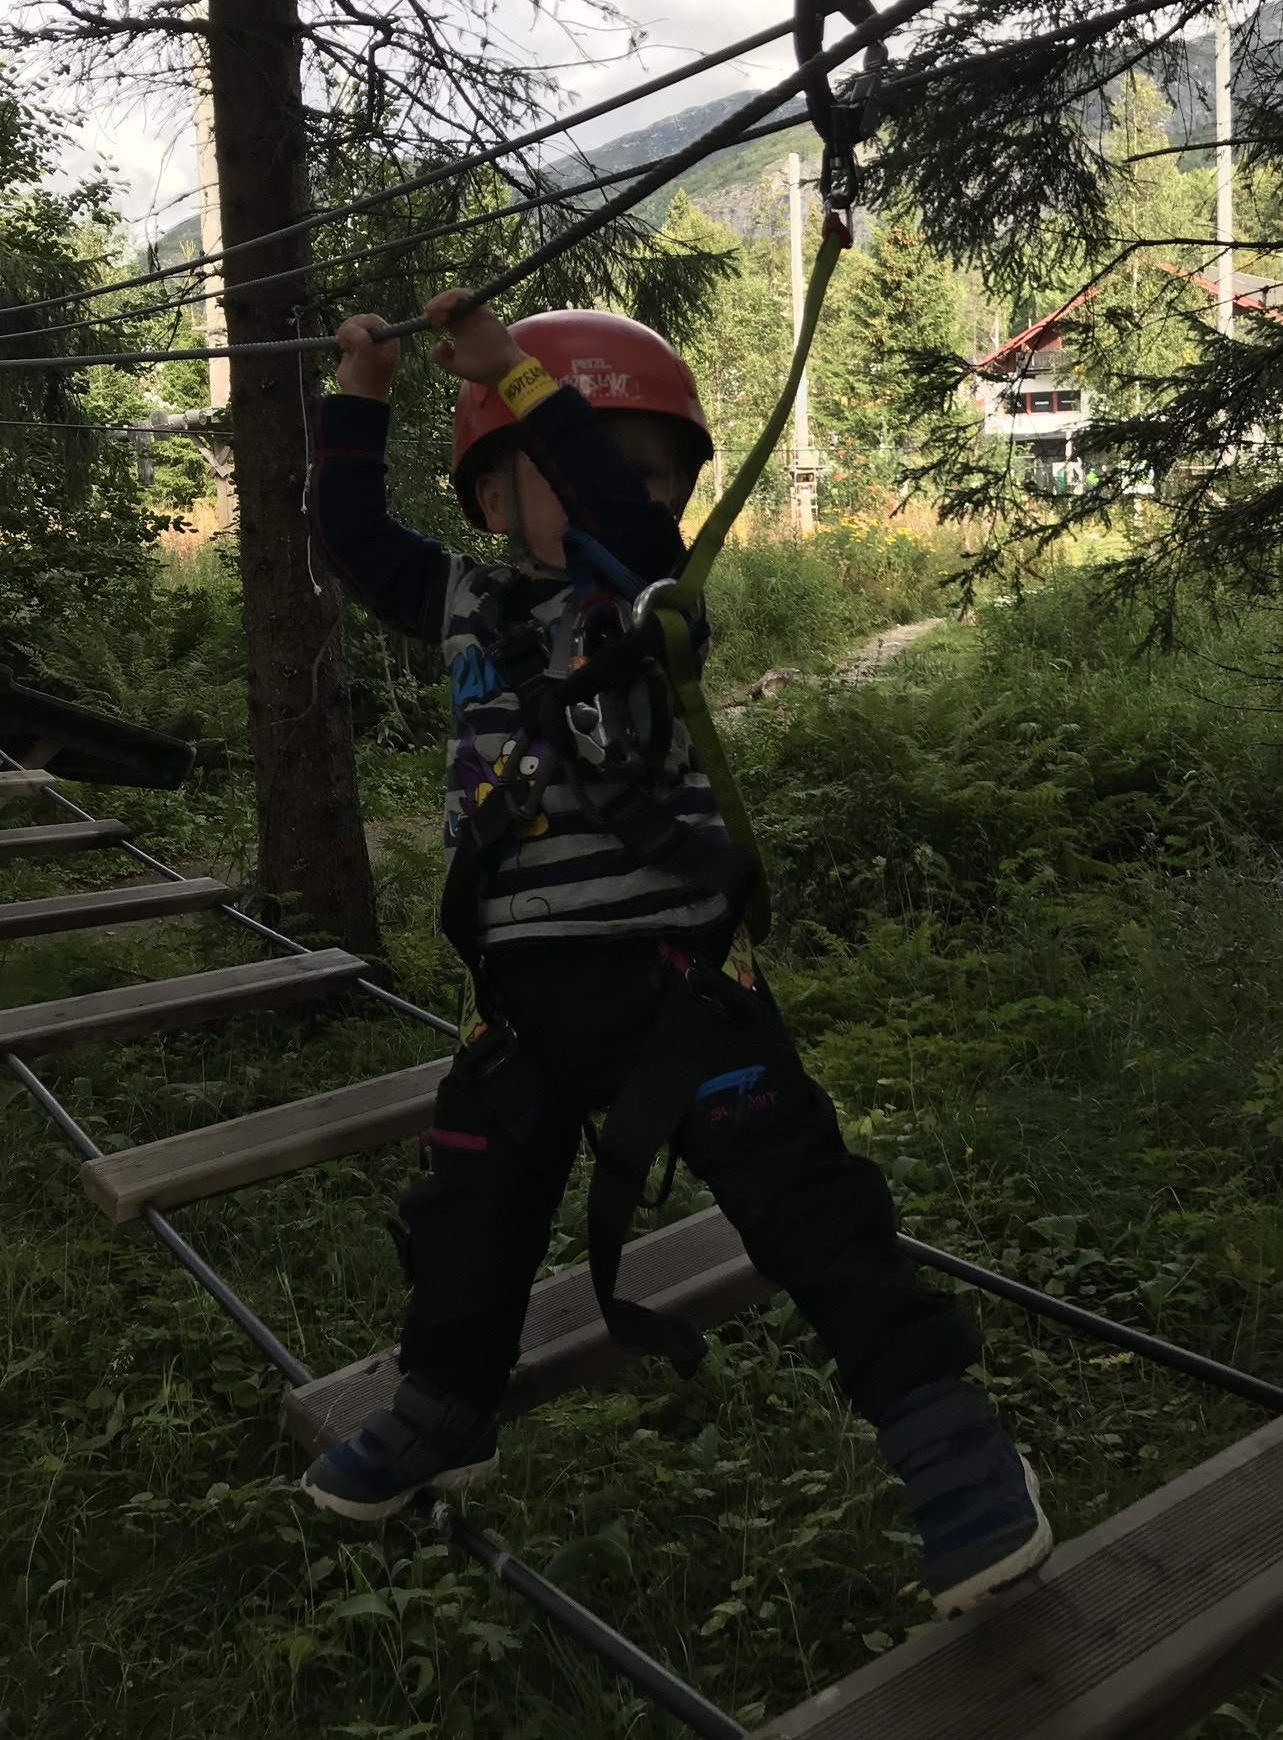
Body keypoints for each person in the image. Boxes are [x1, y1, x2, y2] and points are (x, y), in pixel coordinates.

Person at [298, 289, 1052, 1616]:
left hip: (677, 985)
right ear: (486, 491)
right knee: (469, 1212)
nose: (634, 491)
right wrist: (361, 390)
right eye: (587, 457)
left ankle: (952, 1448)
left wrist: (528, 390)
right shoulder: (461, 593)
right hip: (524, 1000)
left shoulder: (652, 596)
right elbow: (351, 535)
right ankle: (446, 1405)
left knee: (806, 1203)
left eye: (653, 470)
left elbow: (624, 517)